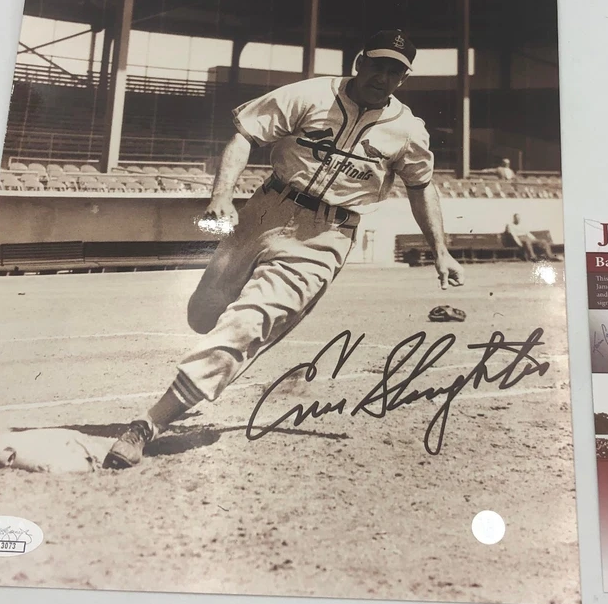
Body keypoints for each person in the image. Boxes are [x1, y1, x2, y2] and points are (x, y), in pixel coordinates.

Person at [104, 29, 466, 468]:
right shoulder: (310, 95)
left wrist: (441, 249)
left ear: (403, 79)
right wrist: (222, 194)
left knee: (247, 323)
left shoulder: (407, 130)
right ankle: (221, 347)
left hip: (326, 236)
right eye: (378, 65)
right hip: (266, 209)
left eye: (396, 71)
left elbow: (421, 186)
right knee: (201, 315)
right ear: (359, 62)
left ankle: (147, 424)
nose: (383, 77)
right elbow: (245, 133)